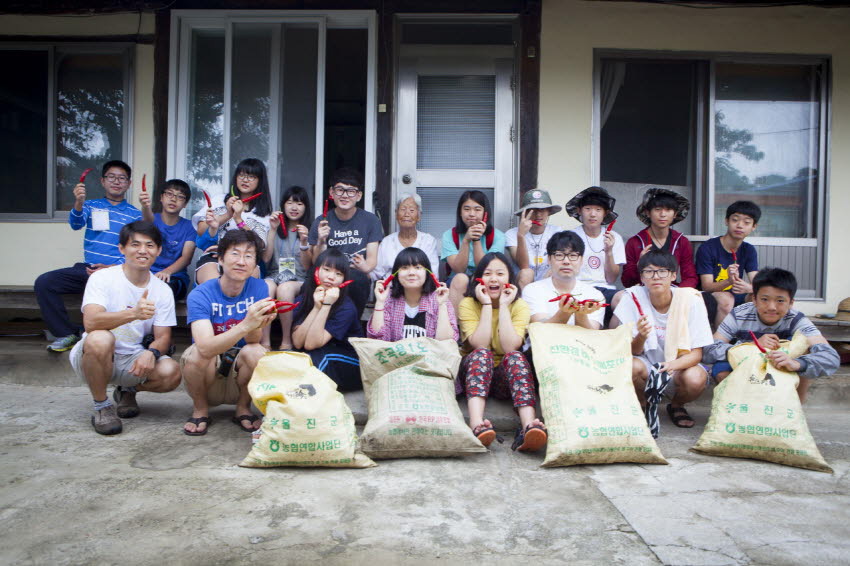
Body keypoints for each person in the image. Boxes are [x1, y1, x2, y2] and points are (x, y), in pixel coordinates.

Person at [69, 221, 180, 435]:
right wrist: (133, 313)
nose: (142, 250)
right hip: (94, 355)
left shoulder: (162, 290)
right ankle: (102, 406)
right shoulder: (102, 278)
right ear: (122, 248)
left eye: (149, 245)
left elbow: (163, 337)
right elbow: (91, 323)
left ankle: (127, 390)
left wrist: (152, 353)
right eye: (135, 244)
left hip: (132, 359)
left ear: (158, 251)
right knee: (101, 338)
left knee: (171, 372)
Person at [36, 160, 153, 352]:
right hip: (88, 270)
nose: (117, 181)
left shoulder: (134, 213)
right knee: (45, 282)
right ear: (102, 181)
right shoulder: (91, 206)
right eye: (111, 177)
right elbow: (75, 224)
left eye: (122, 178)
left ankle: (115, 339)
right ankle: (66, 333)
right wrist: (78, 202)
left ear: (129, 184)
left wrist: (112, 268)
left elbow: (144, 236)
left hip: (118, 274)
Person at [181, 229, 275, 436]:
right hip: (207, 374)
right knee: (197, 353)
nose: (241, 261)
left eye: (248, 256)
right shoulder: (200, 294)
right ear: (221, 260)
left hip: (238, 373)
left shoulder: (259, 288)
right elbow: (205, 348)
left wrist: (256, 325)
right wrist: (245, 324)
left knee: (257, 352)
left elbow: (254, 339)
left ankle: (243, 407)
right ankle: (200, 409)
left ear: (255, 264)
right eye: (235, 254)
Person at [703, 268, 840, 403]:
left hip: (782, 366)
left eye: (780, 300)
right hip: (745, 364)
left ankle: (794, 408)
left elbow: (830, 357)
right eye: (765, 299)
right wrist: (751, 346)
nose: (771, 307)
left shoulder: (797, 320)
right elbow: (709, 350)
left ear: (791, 303)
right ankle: (741, 409)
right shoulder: (739, 315)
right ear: (754, 299)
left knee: (805, 350)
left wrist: (797, 363)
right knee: (721, 370)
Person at [612, 250, 713, 429]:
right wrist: (641, 336)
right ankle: (643, 404)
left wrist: (671, 365)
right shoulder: (632, 298)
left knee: (696, 378)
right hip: (646, 364)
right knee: (628, 365)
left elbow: (696, 354)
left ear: (673, 275)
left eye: (662, 271)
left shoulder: (690, 300)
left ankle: (676, 405)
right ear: (642, 277)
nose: (656, 277)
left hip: (678, 366)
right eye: (649, 271)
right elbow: (632, 351)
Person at [457, 252, 546, 452]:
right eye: (487, 273)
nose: (494, 279)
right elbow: (479, 344)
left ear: (509, 279)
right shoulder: (468, 304)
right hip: (472, 374)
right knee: (482, 354)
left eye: (500, 274)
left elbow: (509, 347)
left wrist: (504, 305)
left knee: (515, 357)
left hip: (503, 379)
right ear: (478, 278)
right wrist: (487, 304)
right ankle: (476, 425)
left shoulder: (519, 306)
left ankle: (528, 426)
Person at [308, 167, 384, 317]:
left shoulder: (371, 221)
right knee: (309, 283)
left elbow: (371, 262)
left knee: (359, 279)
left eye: (351, 191)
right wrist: (321, 241)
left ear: (359, 195)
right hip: (327, 274)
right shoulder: (321, 221)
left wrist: (364, 267)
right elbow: (316, 262)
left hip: (355, 274)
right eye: (340, 190)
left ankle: (351, 325)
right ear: (331, 193)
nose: (345, 195)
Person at [292, 248, 364, 391]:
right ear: (316, 271)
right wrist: (316, 308)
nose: (331, 277)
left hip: (350, 361)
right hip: (321, 352)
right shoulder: (304, 298)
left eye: (338, 274)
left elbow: (311, 344)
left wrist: (326, 306)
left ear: (344, 280)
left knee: (317, 357)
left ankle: (304, 395)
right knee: (297, 356)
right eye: (326, 270)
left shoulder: (346, 307)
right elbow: (298, 342)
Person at [195, 158, 274, 285]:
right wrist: (227, 214)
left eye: (251, 176)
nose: (245, 180)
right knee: (213, 285)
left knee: (244, 286)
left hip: (246, 259)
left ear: (260, 181)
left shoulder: (264, 213)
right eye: (241, 175)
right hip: (215, 256)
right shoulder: (219, 200)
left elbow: (260, 245)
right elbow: (200, 230)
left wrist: (238, 219)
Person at [368, 247, 458, 342]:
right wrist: (380, 302)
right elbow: (376, 339)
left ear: (427, 272)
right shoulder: (388, 299)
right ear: (396, 274)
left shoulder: (439, 298)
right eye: (404, 268)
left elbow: (446, 342)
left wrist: (442, 305)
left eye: (417, 267)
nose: (411, 273)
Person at [523, 231, 606, 334]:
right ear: (549, 259)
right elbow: (540, 330)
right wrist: (564, 312)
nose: (566, 261)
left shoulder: (595, 295)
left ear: (581, 260)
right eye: (559, 255)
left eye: (573, 255)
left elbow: (592, 335)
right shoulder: (533, 290)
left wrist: (581, 314)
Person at [696, 201, 761, 330]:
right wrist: (729, 281)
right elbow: (706, 286)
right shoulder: (708, 248)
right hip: (709, 295)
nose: (740, 225)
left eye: (746, 222)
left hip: (736, 294)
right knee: (727, 299)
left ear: (754, 226)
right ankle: (719, 339)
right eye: (735, 220)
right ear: (726, 221)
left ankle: (750, 336)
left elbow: (758, 282)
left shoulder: (748, 250)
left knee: (759, 297)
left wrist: (749, 288)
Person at [262, 185, 312, 350]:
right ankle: (265, 342)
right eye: (290, 203)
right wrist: (272, 229)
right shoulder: (274, 227)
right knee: (265, 287)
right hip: (275, 275)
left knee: (284, 288)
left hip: (299, 279)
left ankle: (286, 341)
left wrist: (304, 241)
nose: (294, 207)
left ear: (306, 207)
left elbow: (307, 266)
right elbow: (266, 258)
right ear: (283, 205)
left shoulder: (309, 230)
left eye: (299, 203)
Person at [442, 190, 506, 311]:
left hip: (487, 280)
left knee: (482, 280)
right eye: (466, 209)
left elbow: (485, 269)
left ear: (485, 213)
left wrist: (476, 239)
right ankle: (455, 322)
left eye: (477, 209)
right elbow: (459, 269)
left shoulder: (498, 236)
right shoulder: (449, 235)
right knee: (461, 278)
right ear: (460, 212)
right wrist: (466, 241)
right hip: (456, 282)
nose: (471, 214)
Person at [622, 188, 697, 289]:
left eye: (668, 210)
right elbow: (627, 282)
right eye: (657, 209)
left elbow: (690, 277)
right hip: (643, 291)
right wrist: (639, 264)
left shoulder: (682, 242)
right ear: (648, 213)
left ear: (675, 214)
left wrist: (680, 293)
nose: (663, 214)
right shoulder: (634, 242)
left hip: (672, 291)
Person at [565, 186, 625, 305]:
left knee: (623, 298)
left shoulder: (614, 238)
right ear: (579, 211)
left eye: (598, 210)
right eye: (587, 209)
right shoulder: (570, 236)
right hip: (576, 289)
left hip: (605, 290)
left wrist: (609, 252)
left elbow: (611, 279)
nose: (592, 214)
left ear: (605, 213)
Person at [373, 192, 440, 282]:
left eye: (412, 210)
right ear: (396, 214)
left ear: (419, 215)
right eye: (403, 209)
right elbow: (376, 273)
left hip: (420, 289)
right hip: (393, 289)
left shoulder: (428, 241)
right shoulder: (387, 242)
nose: (407, 214)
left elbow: (433, 275)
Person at [504, 189, 563, 289]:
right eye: (533, 210)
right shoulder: (512, 234)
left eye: (542, 210)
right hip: (522, 283)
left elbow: (559, 261)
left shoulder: (557, 231)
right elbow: (523, 265)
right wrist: (521, 235)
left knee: (556, 271)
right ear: (525, 212)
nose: (538, 215)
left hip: (547, 281)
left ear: (548, 211)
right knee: (527, 273)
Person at [151, 179, 196, 301]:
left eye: (180, 197)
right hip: (148, 274)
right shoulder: (151, 220)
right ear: (161, 197)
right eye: (169, 194)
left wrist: (167, 272)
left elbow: (186, 258)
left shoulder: (190, 227)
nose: (173, 199)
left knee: (163, 290)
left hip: (175, 277)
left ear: (185, 203)